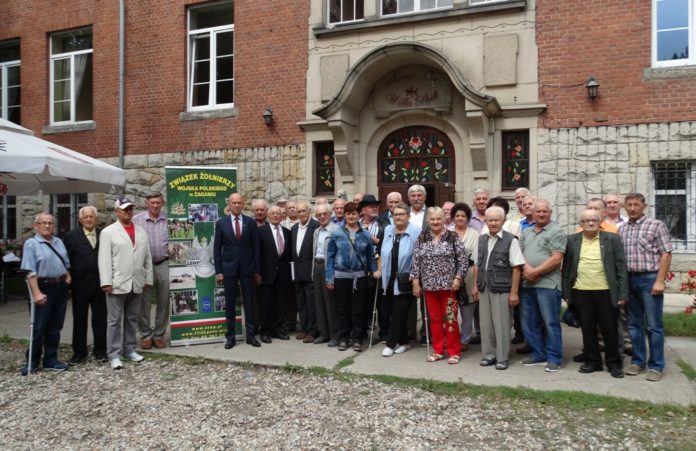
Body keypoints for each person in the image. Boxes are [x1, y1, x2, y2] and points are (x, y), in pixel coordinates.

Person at [563, 209, 628, 379]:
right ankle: (593, 361)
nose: (591, 223)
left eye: (594, 220)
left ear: (600, 222)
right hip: (581, 291)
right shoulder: (572, 240)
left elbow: (621, 267)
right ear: (581, 224)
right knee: (588, 329)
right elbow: (567, 268)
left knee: (610, 329)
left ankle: (614, 363)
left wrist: (622, 292)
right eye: (587, 220)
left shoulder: (612, 239)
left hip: (606, 291)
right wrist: (567, 293)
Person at [619, 193, 673, 382]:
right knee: (634, 325)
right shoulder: (623, 229)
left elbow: (666, 253)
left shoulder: (656, 225)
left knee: (653, 326)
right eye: (629, 205)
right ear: (625, 207)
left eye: (636, 204)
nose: (632, 208)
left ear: (644, 206)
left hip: (649, 279)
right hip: (630, 280)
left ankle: (656, 366)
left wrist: (660, 280)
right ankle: (638, 361)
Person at [99, 196, 153, 370]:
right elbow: (104, 259)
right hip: (117, 282)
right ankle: (114, 354)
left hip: (136, 281)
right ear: (117, 211)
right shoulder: (108, 232)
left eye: (130, 209)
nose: (128, 212)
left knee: (132, 318)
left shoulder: (141, 231)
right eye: (125, 209)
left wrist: (148, 278)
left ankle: (129, 349)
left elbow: (147, 258)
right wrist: (106, 281)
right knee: (114, 320)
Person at [411, 207, 468, 364]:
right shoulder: (422, 237)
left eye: (438, 219)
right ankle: (438, 350)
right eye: (432, 219)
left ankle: (454, 351)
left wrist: (458, 278)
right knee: (434, 319)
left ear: (444, 220)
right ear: (428, 220)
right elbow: (416, 261)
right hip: (429, 286)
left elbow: (463, 259)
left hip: (449, 286)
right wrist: (415, 281)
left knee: (450, 318)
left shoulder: (452, 237)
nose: (435, 222)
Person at [471, 206, 524, 370]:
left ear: (503, 221)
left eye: (496, 220)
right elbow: (477, 264)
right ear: (485, 221)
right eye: (490, 220)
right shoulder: (481, 239)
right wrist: (475, 285)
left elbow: (517, 268)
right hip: (484, 286)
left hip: (502, 287)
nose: (493, 223)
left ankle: (502, 357)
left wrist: (514, 292)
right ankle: (489, 355)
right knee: (485, 324)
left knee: (501, 323)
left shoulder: (511, 240)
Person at [20, 213, 72, 375]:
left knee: (55, 326)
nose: (47, 226)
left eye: (50, 223)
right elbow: (30, 271)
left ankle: (50, 359)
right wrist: (36, 293)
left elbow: (65, 262)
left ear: (54, 226)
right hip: (42, 287)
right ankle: (32, 361)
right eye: (43, 223)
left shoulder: (58, 242)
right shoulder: (31, 244)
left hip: (60, 287)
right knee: (39, 326)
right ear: (36, 226)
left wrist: (67, 277)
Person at [519, 198, 567, 373]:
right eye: (538, 211)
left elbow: (556, 259)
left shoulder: (557, 231)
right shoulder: (527, 232)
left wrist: (535, 272)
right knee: (529, 322)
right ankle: (539, 354)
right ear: (533, 213)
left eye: (544, 211)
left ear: (550, 213)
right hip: (527, 284)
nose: (541, 214)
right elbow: (518, 253)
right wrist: (527, 269)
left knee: (550, 323)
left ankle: (554, 358)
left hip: (548, 285)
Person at [325, 201, 377, 352]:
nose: (351, 216)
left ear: (358, 214)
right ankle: (343, 338)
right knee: (342, 309)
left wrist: (374, 272)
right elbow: (330, 255)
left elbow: (370, 256)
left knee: (358, 309)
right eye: (348, 214)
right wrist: (329, 278)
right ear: (345, 215)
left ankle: (357, 339)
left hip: (359, 277)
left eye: (353, 213)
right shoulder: (337, 233)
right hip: (341, 276)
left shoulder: (365, 234)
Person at [213, 193, 262, 349]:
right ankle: (231, 337)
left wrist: (256, 270)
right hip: (229, 269)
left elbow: (256, 248)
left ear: (243, 204)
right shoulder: (221, 223)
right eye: (234, 203)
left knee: (250, 303)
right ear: (229, 204)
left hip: (247, 269)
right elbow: (217, 249)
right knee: (230, 304)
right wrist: (219, 271)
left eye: (239, 202)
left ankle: (251, 336)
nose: (237, 205)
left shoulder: (250, 222)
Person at [64, 206, 107, 363]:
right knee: (80, 320)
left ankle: (100, 350)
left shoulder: (104, 234)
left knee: (101, 319)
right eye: (85, 217)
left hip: (101, 284)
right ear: (80, 219)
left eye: (91, 216)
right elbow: (66, 260)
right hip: (79, 285)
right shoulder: (70, 236)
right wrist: (68, 284)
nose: (89, 219)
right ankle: (79, 352)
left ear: (96, 218)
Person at [380, 202, 420, 357]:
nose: (398, 217)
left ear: (408, 216)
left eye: (402, 214)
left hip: (406, 279)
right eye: (395, 214)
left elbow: (418, 258)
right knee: (393, 312)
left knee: (399, 312)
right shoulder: (388, 230)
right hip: (389, 278)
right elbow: (382, 252)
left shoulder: (416, 231)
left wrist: (416, 280)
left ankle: (390, 344)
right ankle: (404, 342)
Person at [132, 192, 169, 350]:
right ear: (147, 203)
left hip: (163, 263)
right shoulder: (136, 220)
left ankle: (159, 335)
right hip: (144, 266)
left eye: (158, 203)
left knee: (164, 301)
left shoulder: (168, 220)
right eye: (152, 202)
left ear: (162, 204)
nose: (155, 205)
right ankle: (146, 335)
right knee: (144, 302)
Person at [257, 206, 292, 343]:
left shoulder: (287, 232)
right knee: (266, 304)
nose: (276, 215)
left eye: (278, 213)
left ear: (282, 216)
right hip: (266, 274)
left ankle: (278, 330)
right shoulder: (261, 231)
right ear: (268, 215)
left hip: (283, 274)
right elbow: (257, 254)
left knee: (281, 304)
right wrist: (257, 273)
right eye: (273, 213)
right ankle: (265, 331)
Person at [450, 202, 479, 352]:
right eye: (457, 215)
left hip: (469, 273)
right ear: (453, 217)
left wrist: (475, 284)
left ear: (468, 218)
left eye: (463, 215)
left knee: (467, 309)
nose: (460, 218)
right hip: (450, 274)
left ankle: (465, 339)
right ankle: (451, 337)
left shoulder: (475, 234)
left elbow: (477, 259)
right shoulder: (447, 232)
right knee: (450, 307)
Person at [358, 194, 388, 341]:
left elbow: (388, 244)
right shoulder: (355, 224)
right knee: (362, 302)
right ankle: (362, 332)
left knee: (382, 303)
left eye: (376, 206)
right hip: (360, 268)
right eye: (371, 206)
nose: (375, 208)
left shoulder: (384, 224)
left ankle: (384, 333)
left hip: (379, 266)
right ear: (363, 210)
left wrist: (378, 242)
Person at [291, 201, 320, 343]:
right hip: (297, 272)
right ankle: (305, 327)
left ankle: (313, 330)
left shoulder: (316, 226)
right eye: (299, 211)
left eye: (304, 211)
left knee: (311, 302)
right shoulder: (294, 228)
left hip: (310, 272)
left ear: (309, 211)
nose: (301, 214)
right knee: (301, 302)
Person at [312, 203, 339, 346]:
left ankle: (335, 335)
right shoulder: (317, 231)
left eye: (324, 214)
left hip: (329, 268)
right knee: (319, 302)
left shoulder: (336, 230)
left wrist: (333, 274)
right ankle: (323, 333)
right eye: (319, 215)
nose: (322, 216)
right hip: (317, 266)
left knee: (331, 303)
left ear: (330, 214)